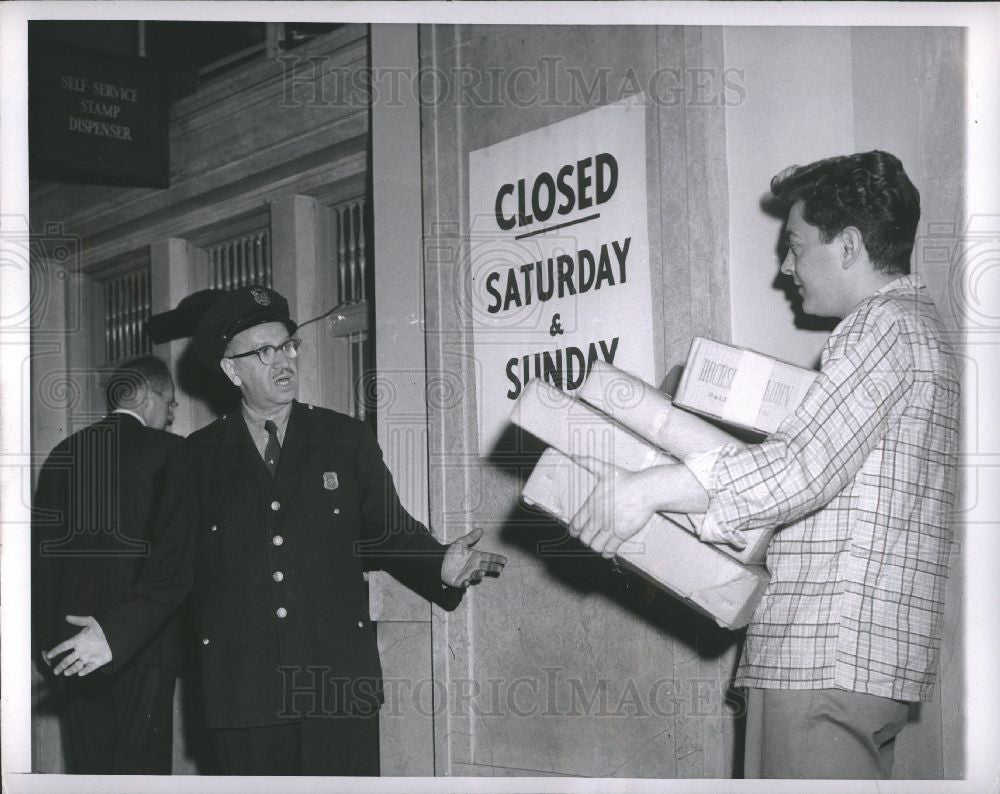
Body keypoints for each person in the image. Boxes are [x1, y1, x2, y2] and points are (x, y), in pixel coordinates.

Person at [569, 151, 959, 779]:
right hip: (863, 661)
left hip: (822, 656)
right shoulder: (920, 331)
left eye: (798, 245)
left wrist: (646, 490)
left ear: (851, 245)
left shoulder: (881, 327)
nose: (786, 267)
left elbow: (802, 469)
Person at [44, 285, 507, 776]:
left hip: (336, 688)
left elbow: (390, 530)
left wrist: (440, 563)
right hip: (243, 695)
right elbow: (170, 574)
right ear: (231, 369)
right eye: (263, 352)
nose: (283, 360)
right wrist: (113, 635)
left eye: (288, 345)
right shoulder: (195, 458)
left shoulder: (344, 438)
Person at [33, 355, 182, 774]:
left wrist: (44, 643)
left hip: (69, 646)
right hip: (147, 645)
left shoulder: (63, 454)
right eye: (170, 403)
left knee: (89, 769)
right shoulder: (175, 454)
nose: (171, 416)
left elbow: (41, 563)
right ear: (149, 395)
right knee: (143, 772)